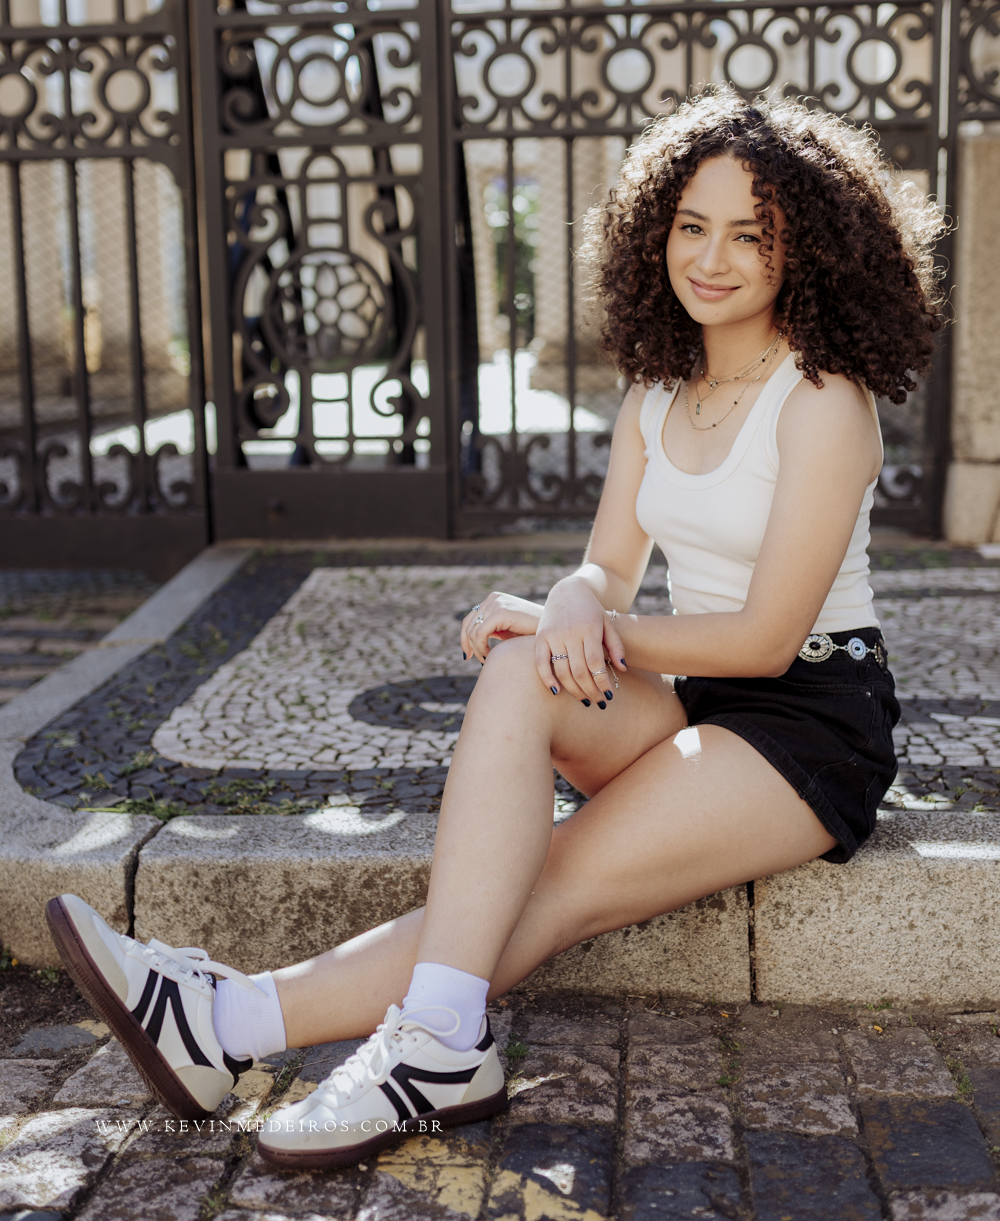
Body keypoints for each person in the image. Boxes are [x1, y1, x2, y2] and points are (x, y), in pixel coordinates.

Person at [45, 89, 945, 1171]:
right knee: (524, 668)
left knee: (550, 880)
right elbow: (607, 566)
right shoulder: (657, 395)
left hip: (808, 718)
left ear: (806, 250)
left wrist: (598, 629)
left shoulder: (821, 400)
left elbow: (761, 638)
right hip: (696, 703)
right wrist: (572, 601)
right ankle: (320, 1030)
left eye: (751, 234)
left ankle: (264, 1023)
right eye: (691, 225)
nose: (711, 258)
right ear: (654, 229)